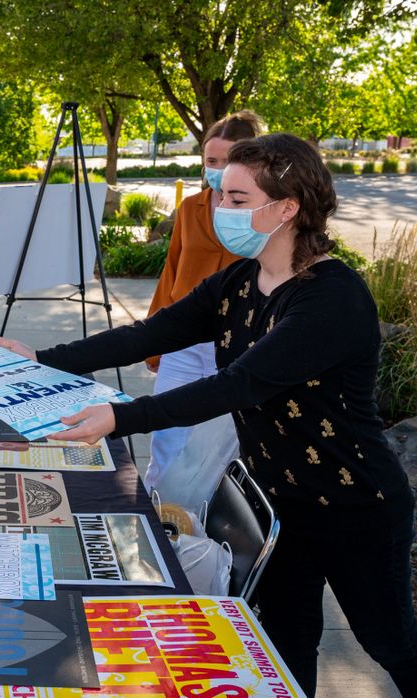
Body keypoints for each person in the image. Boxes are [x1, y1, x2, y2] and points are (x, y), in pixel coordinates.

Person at [0, 133, 417, 697]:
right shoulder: (242, 279)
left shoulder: (331, 297)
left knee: (389, 641)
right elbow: (153, 331)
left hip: (353, 504)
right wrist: (43, 359)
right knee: (286, 639)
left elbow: (238, 386)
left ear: (286, 208)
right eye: (220, 195)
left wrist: (120, 417)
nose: (220, 210)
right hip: (279, 500)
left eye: (237, 200)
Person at [143, 110, 262, 492]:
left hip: (232, 347)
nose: (218, 169)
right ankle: (159, 514)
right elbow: (171, 272)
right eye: (211, 161)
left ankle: (207, 522)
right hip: (181, 343)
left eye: (228, 161)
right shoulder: (189, 209)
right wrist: (153, 341)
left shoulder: (259, 215)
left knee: (218, 446)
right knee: (165, 434)